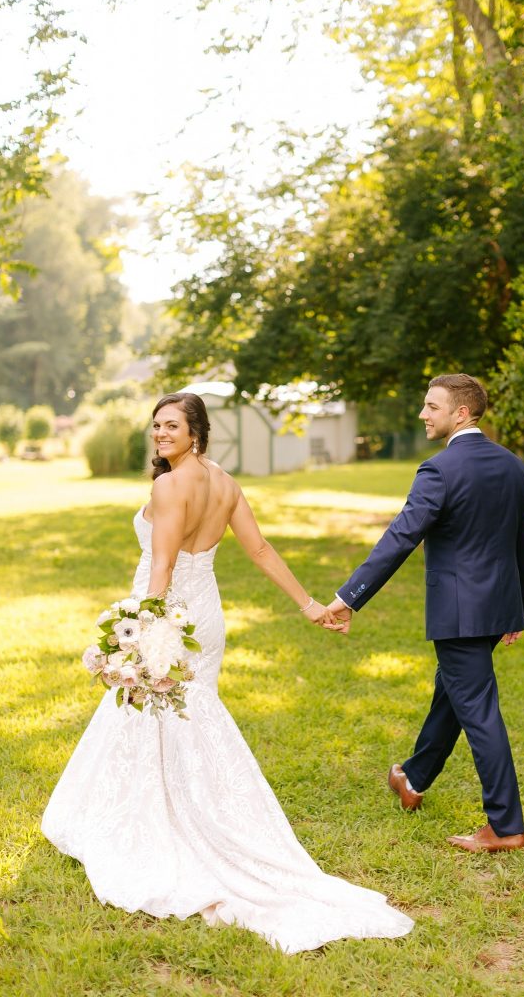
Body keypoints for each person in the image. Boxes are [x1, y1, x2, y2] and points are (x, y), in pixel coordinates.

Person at [42, 392, 413, 953]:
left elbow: (163, 565)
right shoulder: (226, 483)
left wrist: (146, 635)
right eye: (156, 425)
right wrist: (309, 604)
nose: (160, 433)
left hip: (170, 616)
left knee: (155, 711)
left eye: (172, 425)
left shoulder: (170, 486)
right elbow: (259, 549)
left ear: (196, 431)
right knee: (182, 714)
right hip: (207, 618)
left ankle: (167, 827)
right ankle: (187, 810)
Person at [325, 374, 524, 853]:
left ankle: (505, 826)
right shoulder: (513, 467)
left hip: (459, 615)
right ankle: (413, 779)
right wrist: (516, 608)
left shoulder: (438, 471)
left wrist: (349, 596)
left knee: (479, 712)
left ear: (461, 413)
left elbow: (400, 537)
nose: (423, 414)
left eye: (431, 406)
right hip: (494, 608)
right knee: (455, 694)